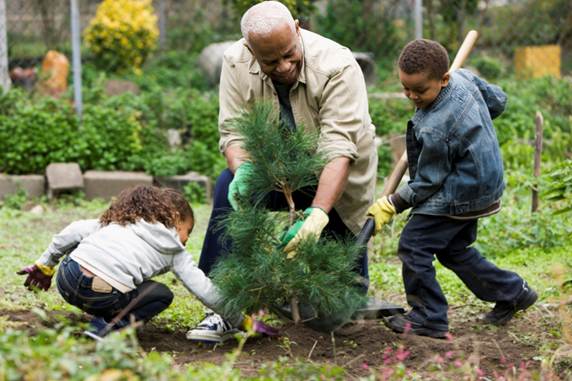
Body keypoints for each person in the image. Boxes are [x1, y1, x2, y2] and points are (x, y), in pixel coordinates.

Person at [187, 0, 378, 340]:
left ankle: (335, 291)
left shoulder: (338, 65)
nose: (285, 66)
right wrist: (243, 170)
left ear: (298, 27)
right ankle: (223, 307)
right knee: (226, 186)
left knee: (343, 306)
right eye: (271, 61)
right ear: (251, 49)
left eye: (289, 54)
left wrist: (318, 213)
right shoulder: (235, 61)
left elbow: (338, 148)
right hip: (276, 171)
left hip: (335, 176)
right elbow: (233, 130)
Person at [367, 39, 537, 339]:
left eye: (420, 90)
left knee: (414, 245)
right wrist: (473, 126)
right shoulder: (464, 77)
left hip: (461, 192)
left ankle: (428, 317)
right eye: (406, 88)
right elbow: (497, 101)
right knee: (453, 250)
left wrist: (394, 201)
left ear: (443, 79)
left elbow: (429, 182)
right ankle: (513, 291)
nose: (412, 96)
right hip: (485, 183)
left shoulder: (435, 126)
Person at [18, 185, 270, 342]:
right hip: (101, 293)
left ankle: (101, 311)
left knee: (95, 256)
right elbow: (205, 291)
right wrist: (241, 321)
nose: (186, 239)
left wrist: (45, 265)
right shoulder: (175, 251)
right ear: (174, 219)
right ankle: (106, 328)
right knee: (161, 294)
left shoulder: (122, 220)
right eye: (187, 230)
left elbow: (72, 231)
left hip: (66, 279)